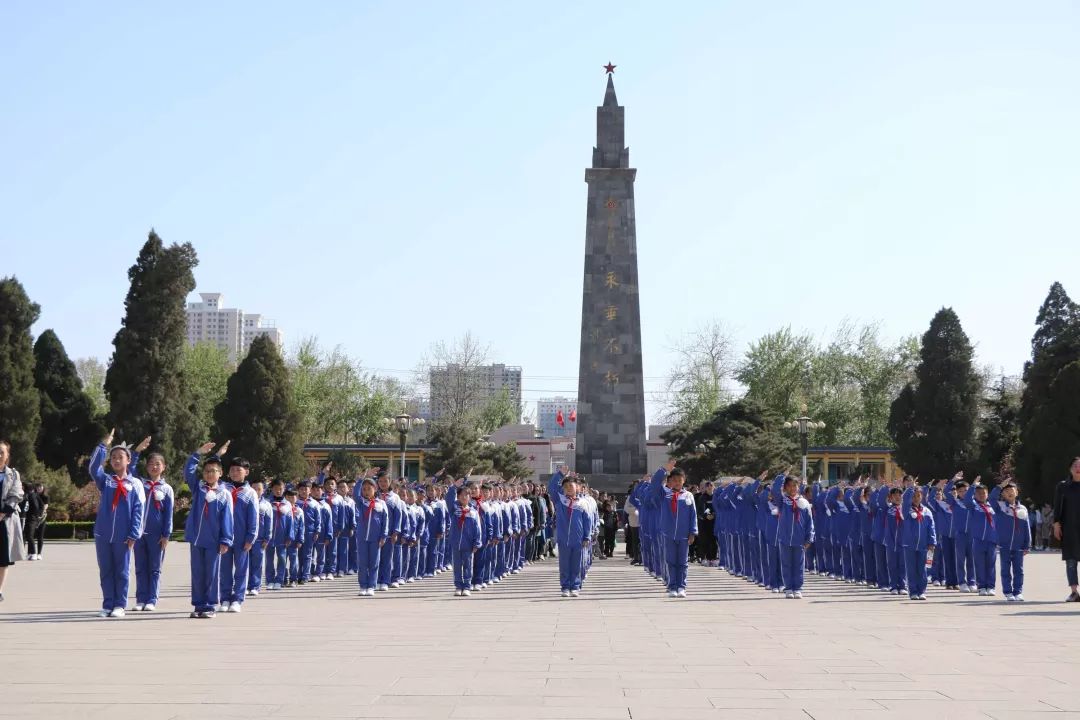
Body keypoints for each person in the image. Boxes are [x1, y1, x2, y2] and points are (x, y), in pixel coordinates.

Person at [88, 430, 147, 618]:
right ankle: (107, 604)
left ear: (128, 461)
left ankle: (120, 604)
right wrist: (102, 445)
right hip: (103, 534)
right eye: (113, 457)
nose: (116, 460)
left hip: (124, 536)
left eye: (120, 457)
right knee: (106, 570)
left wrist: (133, 534)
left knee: (121, 571)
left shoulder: (135, 483)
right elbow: (93, 468)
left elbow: (139, 510)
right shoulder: (106, 481)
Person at [183, 442, 234, 619]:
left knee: (212, 573)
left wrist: (226, 540)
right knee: (197, 573)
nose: (210, 474)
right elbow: (188, 471)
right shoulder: (198, 488)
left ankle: (210, 605)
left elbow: (228, 518)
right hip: (196, 539)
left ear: (220, 474)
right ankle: (198, 605)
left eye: (214, 471)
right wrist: (197, 453)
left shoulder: (224, 493)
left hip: (214, 541)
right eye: (207, 471)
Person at [650, 460, 698, 598]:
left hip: (684, 535)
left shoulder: (688, 496)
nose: (677, 482)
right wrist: (664, 469)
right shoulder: (665, 494)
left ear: (684, 481)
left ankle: (681, 587)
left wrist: (692, 532)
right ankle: (672, 587)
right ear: (670, 481)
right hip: (668, 534)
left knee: (682, 562)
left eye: (679, 480)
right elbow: (654, 484)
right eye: (674, 480)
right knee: (671, 561)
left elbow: (693, 515)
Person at [133, 450, 174, 611]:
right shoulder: (140, 485)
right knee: (140, 567)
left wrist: (166, 535)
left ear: (163, 467)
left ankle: (152, 599)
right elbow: (130, 470)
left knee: (155, 568)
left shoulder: (167, 489)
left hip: (157, 536)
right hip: (138, 534)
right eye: (151, 464)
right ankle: (140, 599)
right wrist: (136, 452)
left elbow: (169, 514)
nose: (154, 467)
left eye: (158, 464)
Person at [220, 453, 258, 613]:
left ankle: (238, 599)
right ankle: (225, 598)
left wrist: (251, 538)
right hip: (224, 537)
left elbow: (254, 517)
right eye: (232, 470)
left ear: (246, 472)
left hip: (242, 537)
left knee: (241, 569)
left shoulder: (250, 493)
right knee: (224, 569)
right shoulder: (223, 489)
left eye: (238, 470)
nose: (235, 473)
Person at [772, 470, 814, 598]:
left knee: (799, 564)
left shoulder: (804, 503)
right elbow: (774, 490)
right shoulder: (782, 501)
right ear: (785, 487)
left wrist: (809, 539)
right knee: (786, 564)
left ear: (799, 487)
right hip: (784, 539)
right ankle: (788, 588)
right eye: (789, 486)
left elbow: (809, 522)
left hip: (799, 540)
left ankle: (798, 588)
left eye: (794, 486)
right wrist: (782, 476)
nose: (792, 488)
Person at [549, 467, 590, 597]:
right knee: (564, 564)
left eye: (571, 486)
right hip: (563, 539)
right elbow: (551, 487)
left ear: (577, 488)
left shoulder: (582, 503)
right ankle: (565, 587)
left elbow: (587, 521)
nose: (569, 489)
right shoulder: (560, 501)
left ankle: (575, 586)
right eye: (566, 487)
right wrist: (560, 474)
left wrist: (587, 536)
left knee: (577, 564)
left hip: (578, 539)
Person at [990, 478, 1029, 601]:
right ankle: (1008, 592)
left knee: (1019, 570)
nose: (1009, 493)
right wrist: (999, 486)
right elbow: (991, 498)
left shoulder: (1022, 509)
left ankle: (1018, 592)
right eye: (1006, 491)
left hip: (1018, 545)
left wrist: (1027, 544)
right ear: (1002, 494)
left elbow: (1026, 528)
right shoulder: (1000, 507)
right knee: (1005, 569)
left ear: (1016, 492)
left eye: (1012, 490)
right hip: (1004, 545)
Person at [0, 440, 27, 601]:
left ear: (7, 455)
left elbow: (17, 494)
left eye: (2, 452)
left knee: (3, 559)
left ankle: (0, 590)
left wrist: (3, 513)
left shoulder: (13, 474)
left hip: (6, 520)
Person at [353, 476, 388, 596]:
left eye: (369, 488)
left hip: (376, 538)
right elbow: (355, 495)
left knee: (374, 563)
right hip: (362, 538)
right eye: (364, 489)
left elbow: (385, 521)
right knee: (362, 563)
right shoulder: (361, 502)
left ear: (375, 489)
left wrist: (384, 536)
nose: (366, 491)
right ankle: (363, 585)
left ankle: (371, 586)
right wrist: (360, 480)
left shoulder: (381, 503)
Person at [901, 482, 936, 600]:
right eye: (914, 496)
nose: (916, 498)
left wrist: (932, 542)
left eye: (918, 496)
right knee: (911, 569)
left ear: (922, 497)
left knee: (922, 569)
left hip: (923, 545)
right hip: (909, 544)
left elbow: (931, 528)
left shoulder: (927, 511)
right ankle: (913, 592)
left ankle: (922, 591)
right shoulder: (906, 510)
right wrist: (910, 488)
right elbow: (905, 499)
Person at [1053, 457, 1080, 602]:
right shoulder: (1063, 486)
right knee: (1071, 560)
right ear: (1070, 468)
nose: (1078, 468)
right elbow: (1057, 506)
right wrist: (1056, 524)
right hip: (1069, 527)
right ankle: (1074, 592)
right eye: (1075, 465)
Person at [248, 478, 272, 596]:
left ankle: (255, 586)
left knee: (257, 564)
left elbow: (269, 523)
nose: (256, 491)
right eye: (254, 488)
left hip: (259, 539)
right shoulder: (246, 501)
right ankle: (246, 585)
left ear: (263, 490)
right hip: (246, 539)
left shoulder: (266, 505)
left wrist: (267, 538)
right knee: (245, 563)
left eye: (259, 489)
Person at [24, 482, 48, 560]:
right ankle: (30, 553)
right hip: (33, 517)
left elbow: (43, 506)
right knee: (28, 535)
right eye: (37, 487)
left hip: (39, 518)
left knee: (38, 536)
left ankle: (38, 553)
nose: (39, 488)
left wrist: (39, 515)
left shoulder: (44, 496)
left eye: (40, 486)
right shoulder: (33, 494)